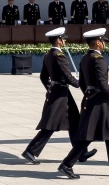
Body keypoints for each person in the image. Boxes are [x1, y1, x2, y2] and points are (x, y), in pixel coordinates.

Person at [57, 29, 109, 178]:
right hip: (99, 103)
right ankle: (66, 164)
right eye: (103, 41)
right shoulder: (98, 59)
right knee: (88, 136)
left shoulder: (85, 58)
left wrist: (89, 94)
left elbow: (82, 83)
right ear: (98, 42)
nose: (104, 43)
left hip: (94, 100)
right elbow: (103, 84)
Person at [20, 27, 91, 165]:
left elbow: (43, 77)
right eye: (63, 39)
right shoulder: (59, 56)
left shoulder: (48, 55)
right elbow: (68, 76)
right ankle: (31, 151)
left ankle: (81, 153)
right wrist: (80, 83)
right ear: (59, 40)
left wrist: (50, 87)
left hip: (59, 91)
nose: (65, 41)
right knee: (51, 124)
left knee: (74, 120)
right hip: (60, 94)